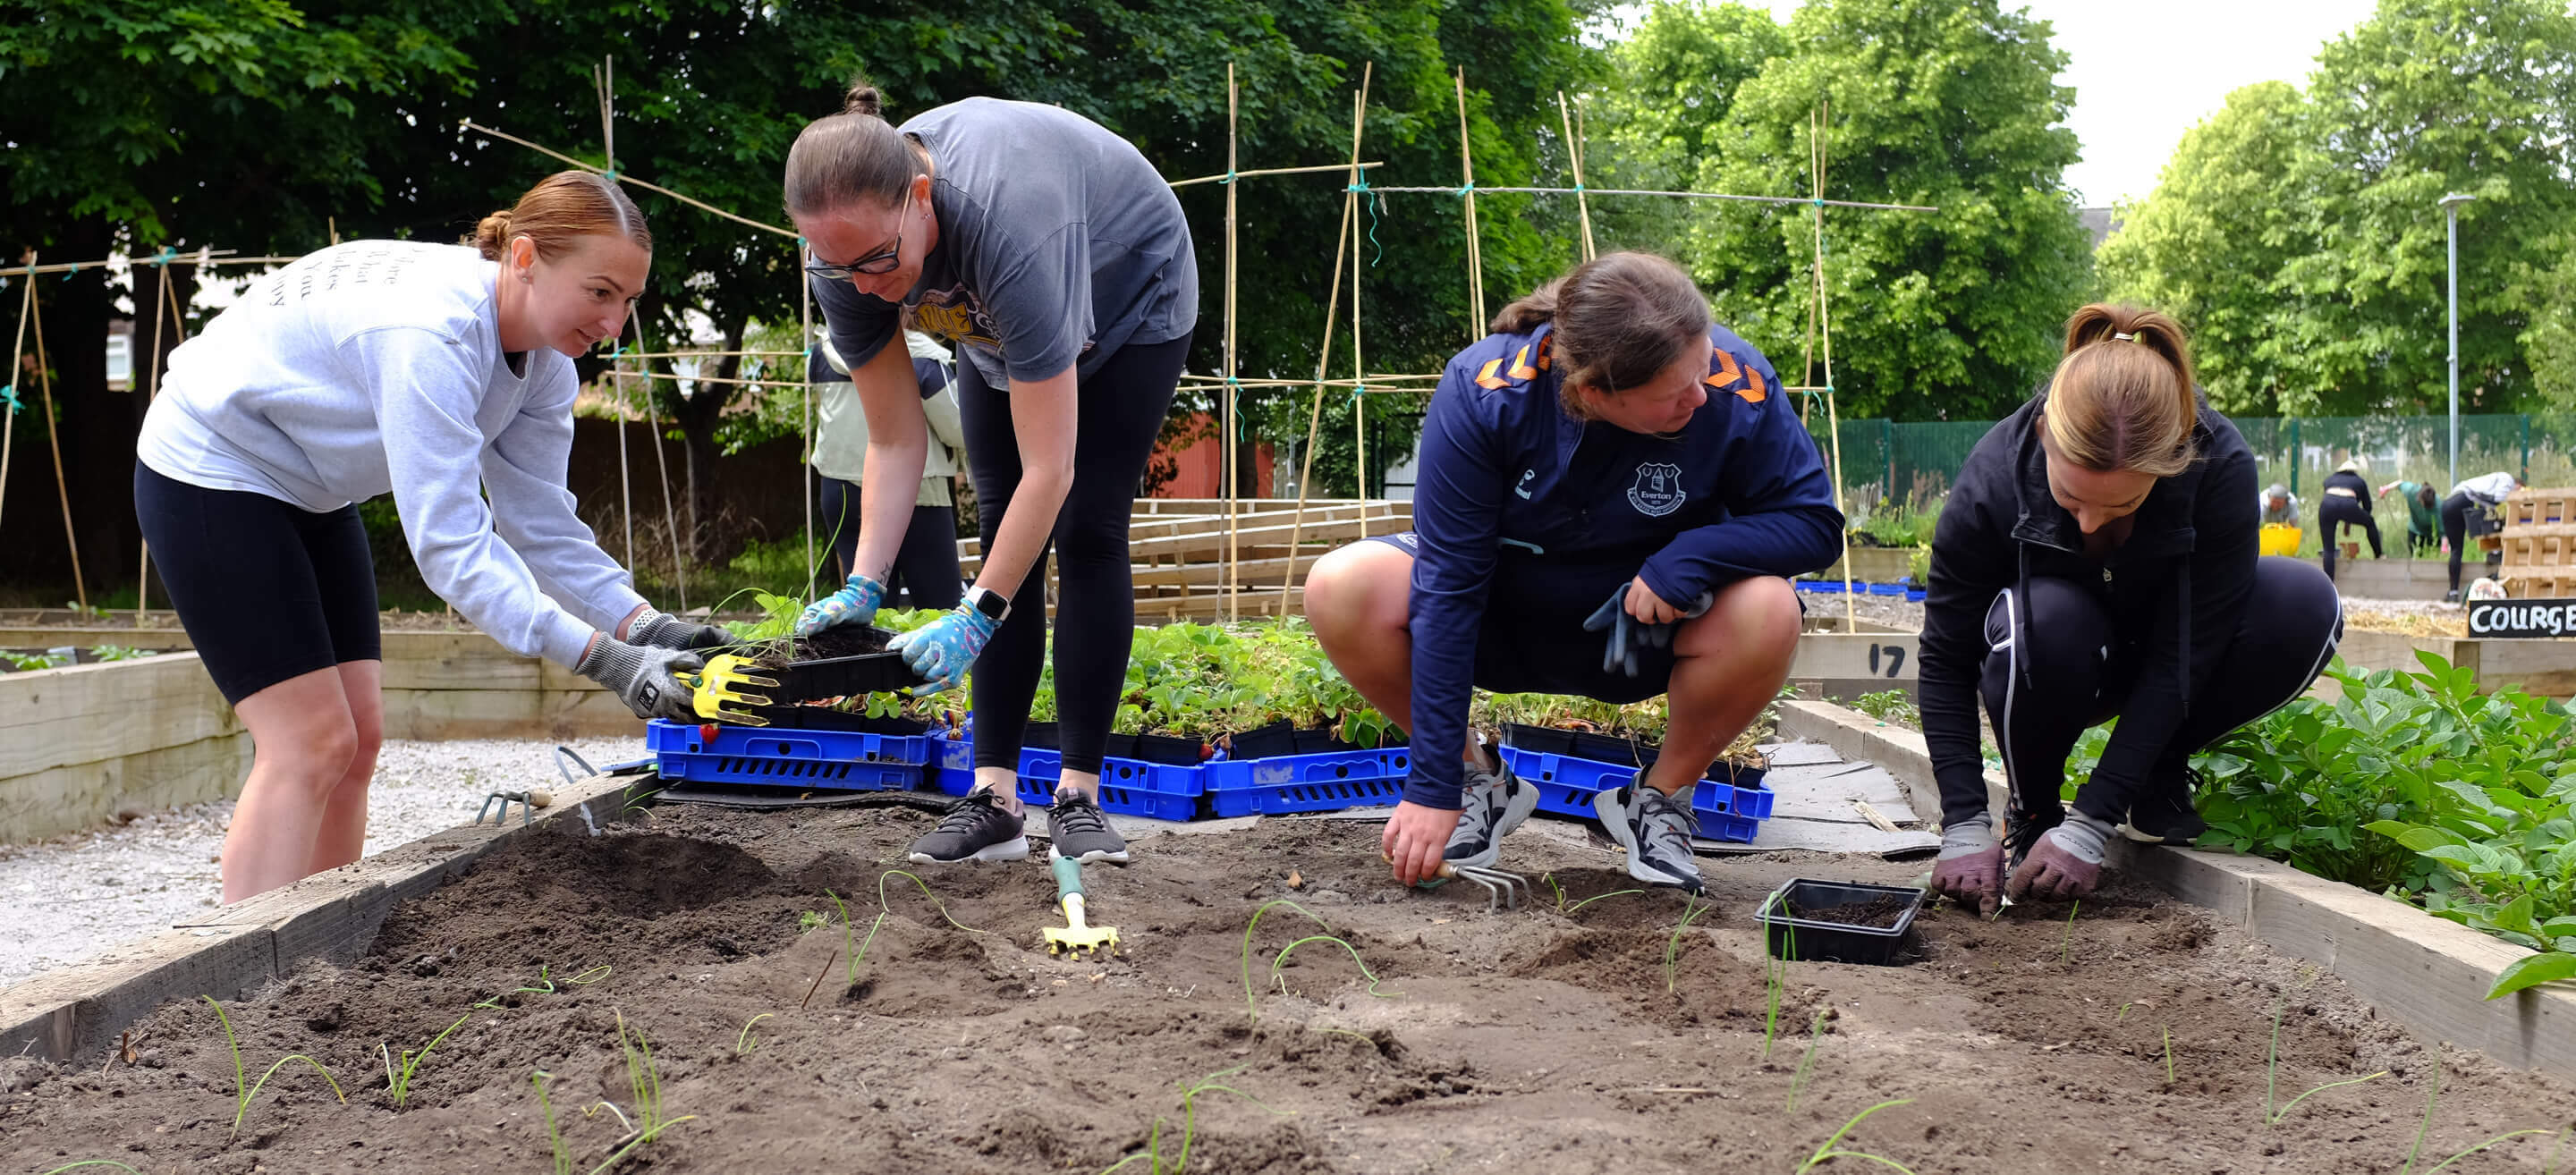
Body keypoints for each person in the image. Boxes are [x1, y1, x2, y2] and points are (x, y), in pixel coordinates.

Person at [133, 172, 717, 903]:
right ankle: (243, 963)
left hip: (313, 486)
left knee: (357, 740)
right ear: (525, 258)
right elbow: (452, 549)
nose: (614, 323)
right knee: (310, 742)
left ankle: (320, 946)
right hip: (214, 467)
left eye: (628, 299)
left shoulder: (545, 361)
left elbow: (541, 525)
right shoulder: (433, 338)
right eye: (599, 292)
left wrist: (649, 627)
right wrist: (607, 659)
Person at [1302, 252, 1839, 896]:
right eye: (1675, 392)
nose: (1701, 395)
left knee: (1770, 609)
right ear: (1592, 394)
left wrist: (1690, 559)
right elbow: (1447, 586)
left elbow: (1814, 523)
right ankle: (1476, 781)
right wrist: (1432, 782)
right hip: (1504, 620)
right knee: (1342, 585)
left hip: (1645, 631)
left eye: (1701, 371)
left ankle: (1659, 798)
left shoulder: (1733, 382)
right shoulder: (1485, 392)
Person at [782, 80, 1196, 867]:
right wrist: (865, 583)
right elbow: (895, 440)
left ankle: (1079, 797)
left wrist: (976, 617)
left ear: (921, 197)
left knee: (1087, 527)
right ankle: (994, 799)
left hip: (1131, 292)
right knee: (1000, 524)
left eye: (875, 261)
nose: (862, 285)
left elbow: (1052, 467)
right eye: (836, 265)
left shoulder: (1010, 227)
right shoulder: (846, 259)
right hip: (996, 325)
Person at [1918, 305, 2343, 913]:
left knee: (2304, 604)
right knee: (2046, 620)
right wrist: (1963, 822)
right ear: (2044, 435)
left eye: (2122, 506)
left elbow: (2187, 654)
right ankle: (2034, 808)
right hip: (2055, 658)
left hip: (2163, 649)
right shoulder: (1992, 479)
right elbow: (1944, 658)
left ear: (2172, 459)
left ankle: (2155, 770)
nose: (2091, 522)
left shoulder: (2218, 466)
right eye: (2071, 499)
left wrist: (2095, 821)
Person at [809, 325, 967, 608]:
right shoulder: (923, 359)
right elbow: (959, 429)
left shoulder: (822, 352)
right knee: (940, 606)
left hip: (839, 488)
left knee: (869, 607)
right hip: (916, 491)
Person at [2440, 470, 2521, 602]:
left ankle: (2453, 592)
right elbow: (2499, 501)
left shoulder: (2488, 482)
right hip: (2464, 499)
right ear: (2518, 486)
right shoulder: (2508, 480)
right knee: (2492, 522)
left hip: (2448, 504)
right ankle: (2494, 554)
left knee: (2456, 549)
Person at [2318, 459, 2380, 581]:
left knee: (2328, 549)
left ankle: (2329, 584)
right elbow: (2366, 507)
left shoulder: (2329, 480)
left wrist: (2347, 522)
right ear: (2354, 471)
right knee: (2370, 522)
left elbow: (2336, 502)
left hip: (2327, 505)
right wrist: (2358, 517)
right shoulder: (2359, 481)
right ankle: (2379, 555)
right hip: (2349, 505)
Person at [2377, 478, 2442, 557]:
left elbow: (2443, 529)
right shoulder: (2411, 491)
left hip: (2432, 531)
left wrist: (2444, 545)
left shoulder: (2439, 506)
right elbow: (2400, 483)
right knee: (2414, 552)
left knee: (2433, 553)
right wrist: (2386, 488)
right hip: (2415, 526)